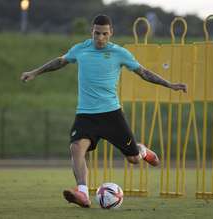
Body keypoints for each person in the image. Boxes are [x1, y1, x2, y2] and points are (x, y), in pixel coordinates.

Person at [20, 14, 187, 208]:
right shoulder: (80, 49)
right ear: (92, 31)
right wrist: (34, 72)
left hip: (111, 114)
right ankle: (82, 193)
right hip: (85, 115)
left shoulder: (119, 53)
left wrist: (170, 85)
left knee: (132, 158)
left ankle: (141, 150)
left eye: (104, 34)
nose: (100, 38)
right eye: (96, 33)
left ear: (111, 33)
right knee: (76, 148)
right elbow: (59, 62)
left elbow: (144, 73)